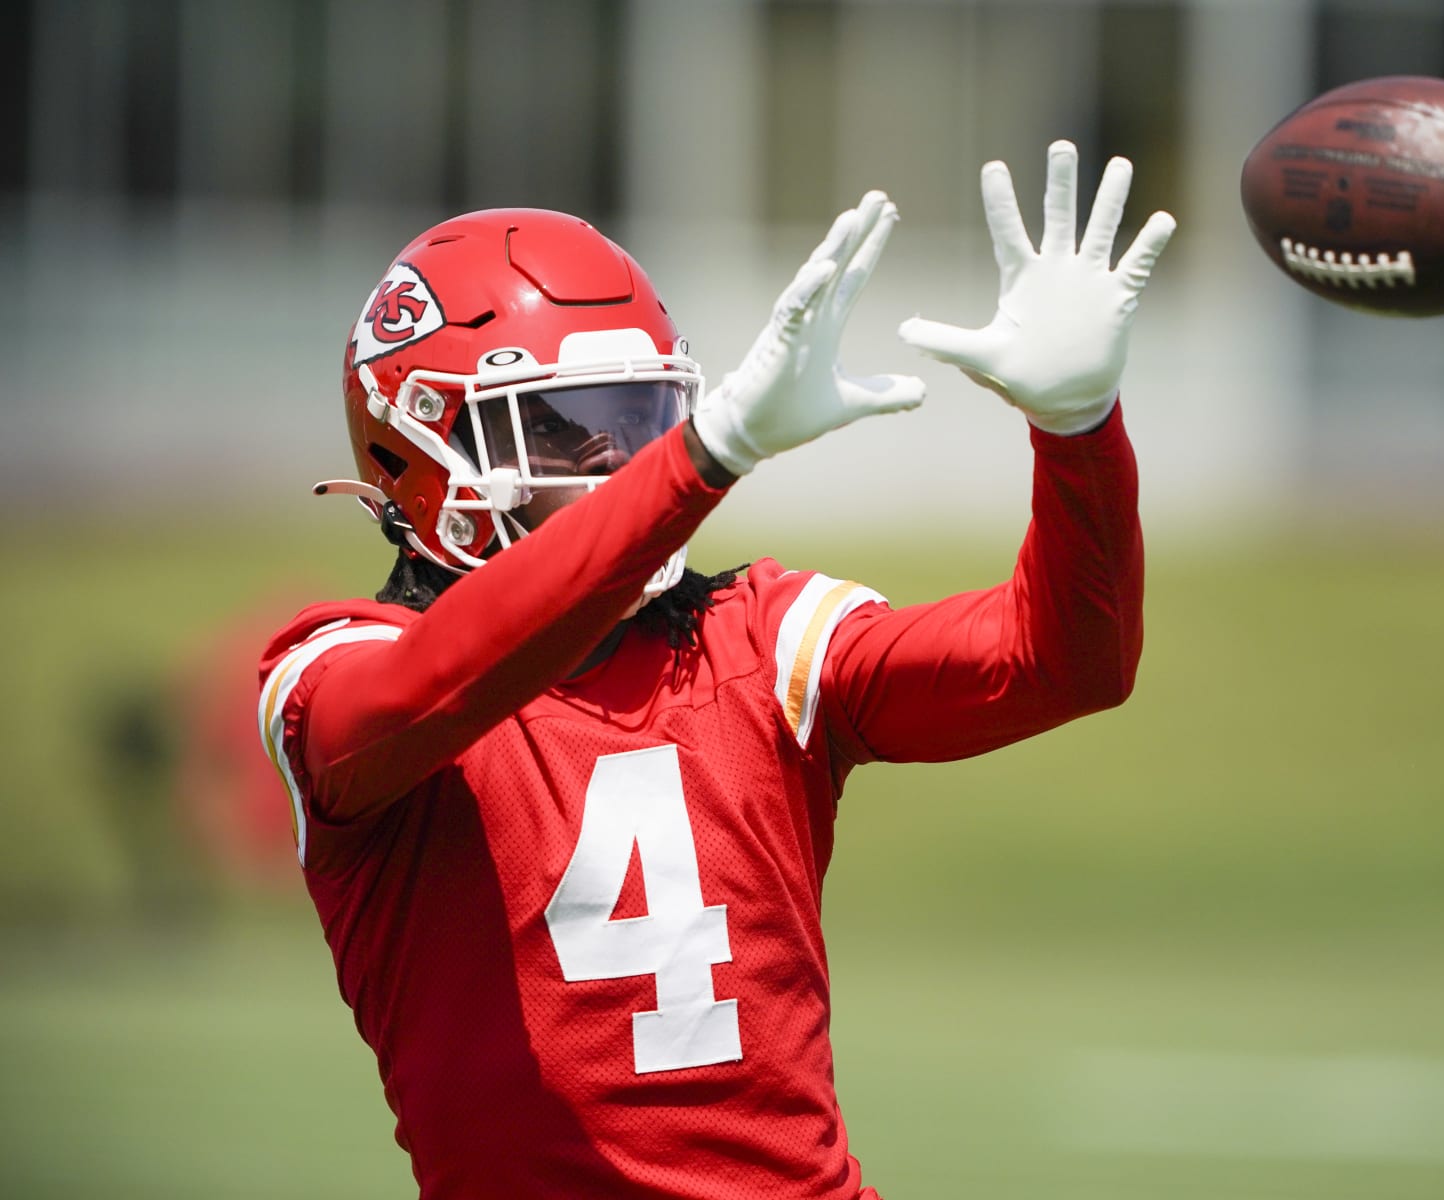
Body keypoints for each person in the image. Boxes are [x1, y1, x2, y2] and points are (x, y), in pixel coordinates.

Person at [257, 142, 1174, 1198]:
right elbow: (438, 683)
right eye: (565, 430)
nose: (622, 463)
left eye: (640, 421)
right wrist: (709, 451)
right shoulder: (337, 669)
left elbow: (1067, 661)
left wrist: (1079, 430)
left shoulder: (759, 640)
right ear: (409, 452)